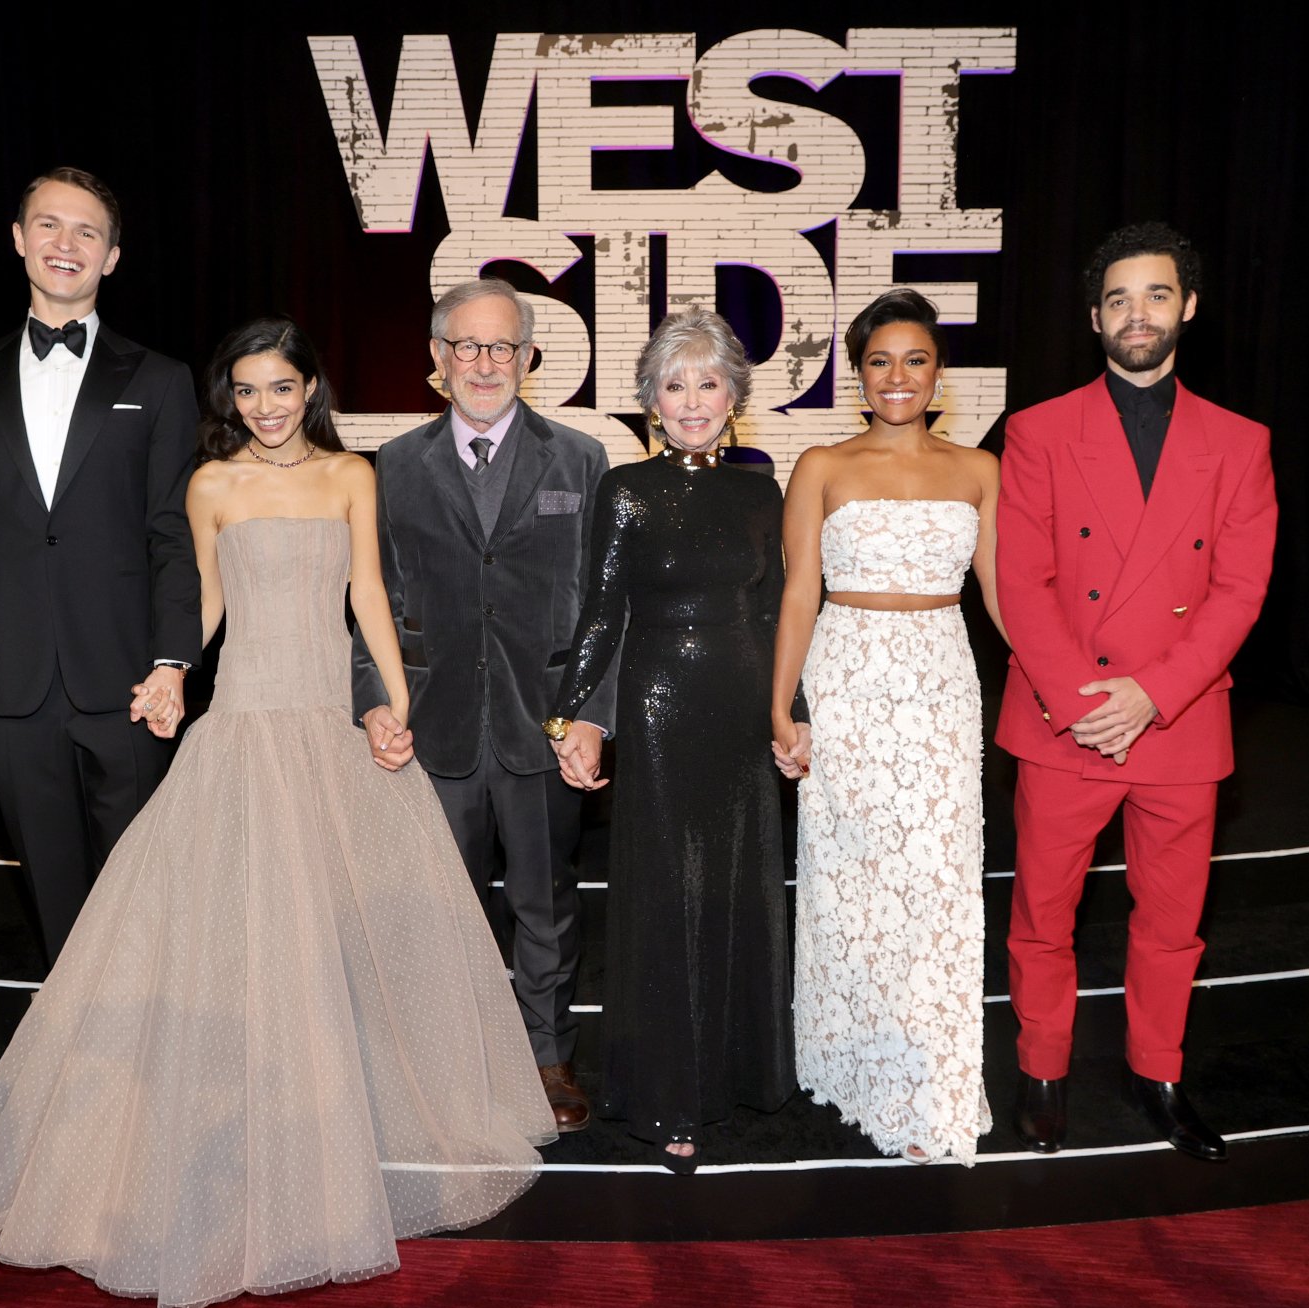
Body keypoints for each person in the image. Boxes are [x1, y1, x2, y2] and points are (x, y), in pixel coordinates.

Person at [0, 318, 556, 1308]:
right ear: (231, 400)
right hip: (245, 719)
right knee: (240, 935)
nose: (263, 406)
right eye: (246, 391)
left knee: (349, 935)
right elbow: (202, 603)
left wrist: (391, 705)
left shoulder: (350, 477)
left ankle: (331, 1118)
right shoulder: (210, 486)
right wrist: (170, 674)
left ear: (311, 389)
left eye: (280, 387)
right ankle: (238, 1125)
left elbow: (368, 597)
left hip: (327, 725)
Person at [997, 223, 1276, 1161]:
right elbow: (1023, 579)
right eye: (1118, 299)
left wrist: (1150, 696)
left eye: (1156, 295)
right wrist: (1087, 703)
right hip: (1065, 716)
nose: (1137, 313)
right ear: (1093, 319)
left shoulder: (1240, 443)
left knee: (1172, 922)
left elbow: (1240, 588)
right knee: (1044, 912)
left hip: (1178, 719)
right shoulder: (1038, 431)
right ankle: (1042, 1069)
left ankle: (1159, 1071)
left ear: (1188, 308)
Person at [0, 167, 200, 964]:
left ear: (111, 257)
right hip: (5, 680)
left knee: (145, 886)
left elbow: (174, 535)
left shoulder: (163, 380)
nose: (65, 244)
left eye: (87, 232)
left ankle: (157, 1047)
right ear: (18, 239)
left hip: (131, 682)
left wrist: (174, 660)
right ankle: (86, 1062)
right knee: (55, 897)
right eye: (48, 225)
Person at [350, 278, 613, 1133]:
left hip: (547, 728)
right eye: (467, 346)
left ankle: (545, 1056)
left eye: (503, 346)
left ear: (530, 357)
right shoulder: (391, 465)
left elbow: (606, 610)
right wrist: (374, 704)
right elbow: (370, 602)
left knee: (546, 905)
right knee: (437, 907)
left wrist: (593, 716)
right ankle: (448, 1058)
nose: (485, 362)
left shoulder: (580, 459)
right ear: (437, 359)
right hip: (435, 728)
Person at [549, 308, 797, 1172]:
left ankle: (733, 1076)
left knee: (740, 891)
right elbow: (601, 612)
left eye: (708, 382)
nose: (692, 400)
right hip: (657, 711)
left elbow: (771, 614)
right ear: (652, 398)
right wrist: (569, 714)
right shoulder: (628, 489)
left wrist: (788, 712)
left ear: (735, 394)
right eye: (675, 383)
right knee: (671, 897)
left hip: (740, 709)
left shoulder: (763, 492)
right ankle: (670, 1097)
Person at [770, 289, 1004, 1165]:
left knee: (937, 887)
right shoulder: (821, 463)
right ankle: (852, 1064)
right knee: (850, 887)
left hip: (941, 683)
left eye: (914, 359)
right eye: (878, 360)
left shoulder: (980, 468)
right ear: (857, 374)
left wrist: (1063, 677)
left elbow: (1003, 595)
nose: (897, 376)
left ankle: (931, 1084)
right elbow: (797, 593)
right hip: (847, 681)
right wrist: (781, 703)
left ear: (939, 372)